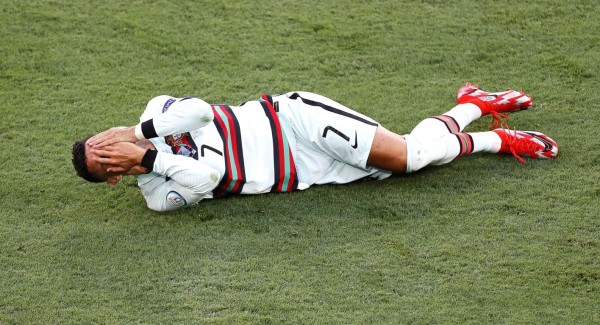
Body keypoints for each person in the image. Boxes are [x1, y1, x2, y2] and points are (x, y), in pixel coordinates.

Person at [72, 83, 559, 212]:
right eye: (106, 160)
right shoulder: (158, 195)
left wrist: (141, 136)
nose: (111, 146)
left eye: (103, 141)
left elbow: (200, 112)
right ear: (114, 177)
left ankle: (498, 139)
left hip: (292, 121)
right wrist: (148, 161)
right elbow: (211, 178)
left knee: (406, 157)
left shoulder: (155, 113)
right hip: (307, 172)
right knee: (409, 155)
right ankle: (471, 105)